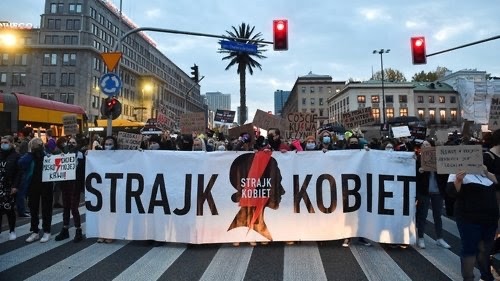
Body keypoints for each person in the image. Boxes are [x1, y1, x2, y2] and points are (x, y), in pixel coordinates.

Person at [447, 168, 499, 281]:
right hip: (469, 219)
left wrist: (487, 173)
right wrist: (458, 180)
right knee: (469, 250)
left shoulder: (485, 172)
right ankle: (468, 278)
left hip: (490, 220)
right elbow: (451, 192)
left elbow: (497, 183)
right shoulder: (457, 171)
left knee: (485, 251)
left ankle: (486, 277)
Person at [415, 140, 450, 249]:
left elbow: (445, 176)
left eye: (427, 145)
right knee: (422, 215)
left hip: (437, 192)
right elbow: (413, 176)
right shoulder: (418, 160)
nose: (425, 147)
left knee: (437, 215)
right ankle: (420, 238)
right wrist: (419, 171)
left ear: (432, 147)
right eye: (423, 145)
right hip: (424, 191)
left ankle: (439, 238)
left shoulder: (439, 160)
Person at [343, 136, 372, 247]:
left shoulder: (363, 153)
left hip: (361, 187)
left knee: (361, 213)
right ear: (348, 143)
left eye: (355, 142)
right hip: (347, 187)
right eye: (352, 142)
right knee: (348, 214)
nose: (354, 144)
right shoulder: (344, 153)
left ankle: (361, 236)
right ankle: (347, 237)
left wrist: (369, 153)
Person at [54, 137, 84, 243]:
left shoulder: (80, 155)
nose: (71, 144)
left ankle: (78, 229)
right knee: (66, 207)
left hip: (75, 185)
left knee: (74, 207)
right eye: (69, 142)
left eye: (73, 143)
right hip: (65, 184)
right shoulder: (62, 154)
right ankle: (65, 229)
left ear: (77, 144)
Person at [26, 137, 54, 243]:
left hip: (46, 184)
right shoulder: (29, 157)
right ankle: (35, 231)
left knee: (46, 208)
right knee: (33, 208)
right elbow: (21, 163)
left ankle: (46, 231)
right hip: (33, 184)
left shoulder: (47, 156)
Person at [0, 135, 22, 241]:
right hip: (0, 185)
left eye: (5, 142)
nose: (3, 144)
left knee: (9, 209)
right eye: (2, 142)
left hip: (9, 186)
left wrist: (15, 186)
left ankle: (12, 230)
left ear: (11, 143)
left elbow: (19, 172)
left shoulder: (16, 156)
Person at [97, 135, 117, 243]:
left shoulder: (119, 156)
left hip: (113, 187)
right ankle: (101, 233)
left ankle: (110, 234)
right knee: (101, 212)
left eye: (110, 144)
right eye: (106, 144)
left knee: (111, 212)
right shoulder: (99, 155)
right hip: (102, 187)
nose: (107, 146)